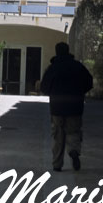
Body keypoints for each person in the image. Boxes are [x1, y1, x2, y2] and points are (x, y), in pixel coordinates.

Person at [40, 42, 93, 172]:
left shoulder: (53, 68)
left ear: (56, 52)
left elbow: (44, 87)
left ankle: (57, 164)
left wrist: (53, 93)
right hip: (75, 106)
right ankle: (74, 151)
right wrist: (79, 93)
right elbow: (89, 82)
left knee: (58, 135)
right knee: (74, 132)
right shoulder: (78, 67)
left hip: (57, 107)